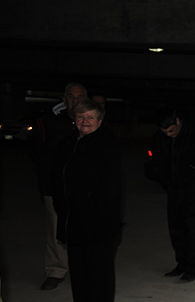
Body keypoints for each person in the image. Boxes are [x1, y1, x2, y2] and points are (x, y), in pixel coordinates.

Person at [52, 100, 122, 301]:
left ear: (100, 121)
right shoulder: (68, 143)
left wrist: (95, 217)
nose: (85, 121)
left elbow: (109, 190)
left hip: (97, 225)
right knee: (79, 275)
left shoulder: (106, 145)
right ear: (74, 119)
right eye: (81, 116)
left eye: (91, 117)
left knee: (99, 277)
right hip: (73, 222)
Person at [29, 82, 86, 290]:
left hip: (83, 190)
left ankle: (83, 269)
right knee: (55, 230)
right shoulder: (49, 122)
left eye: (80, 96)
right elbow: (36, 152)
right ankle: (56, 270)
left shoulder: (92, 121)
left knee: (84, 229)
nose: (76, 100)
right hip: (54, 188)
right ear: (64, 99)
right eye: (71, 96)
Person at [146, 109, 195, 282]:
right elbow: (154, 157)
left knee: (192, 229)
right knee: (176, 228)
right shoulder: (161, 137)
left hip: (192, 190)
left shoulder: (194, 134)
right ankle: (181, 264)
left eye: (171, 131)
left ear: (177, 122)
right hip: (173, 189)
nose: (168, 135)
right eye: (164, 132)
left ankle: (193, 267)